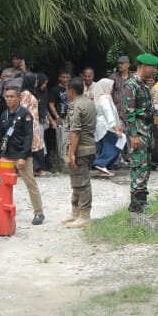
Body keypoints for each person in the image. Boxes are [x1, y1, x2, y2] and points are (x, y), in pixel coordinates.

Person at [0, 88, 44, 226]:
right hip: (7, 154)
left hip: (21, 154)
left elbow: (28, 137)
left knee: (30, 183)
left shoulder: (25, 115)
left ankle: (38, 212)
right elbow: (1, 136)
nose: (9, 99)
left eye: (12, 96)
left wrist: (23, 157)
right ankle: (1, 211)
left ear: (19, 98)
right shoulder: (4, 114)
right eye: (7, 97)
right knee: (1, 183)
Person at [123, 54, 158, 212]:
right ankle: (135, 203)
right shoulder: (131, 85)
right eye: (153, 67)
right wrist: (134, 135)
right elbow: (128, 112)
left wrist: (150, 136)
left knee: (145, 166)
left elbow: (148, 112)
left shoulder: (144, 85)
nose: (155, 70)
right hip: (137, 131)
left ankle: (142, 199)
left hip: (145, 131)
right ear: (144, 66)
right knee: (138, 166)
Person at [64, 78, 96, 228]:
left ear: (71, 90)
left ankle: (84, 215)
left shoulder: (76, 106)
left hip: (80, 149)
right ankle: (75, 212)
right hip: (88, 146)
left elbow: (75, 132)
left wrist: (72, 153)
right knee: (77, 181)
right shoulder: (89, 102)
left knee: (82, 182)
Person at [92, 78, 122, 177]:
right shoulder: (105, 99)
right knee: (115, 145)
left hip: (101, 126)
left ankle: (103, 168)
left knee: (103, 147)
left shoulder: (101, 98)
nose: (112, 89)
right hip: (106, 127)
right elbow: (109, 114)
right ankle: (101, 163)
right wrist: (116, 129)